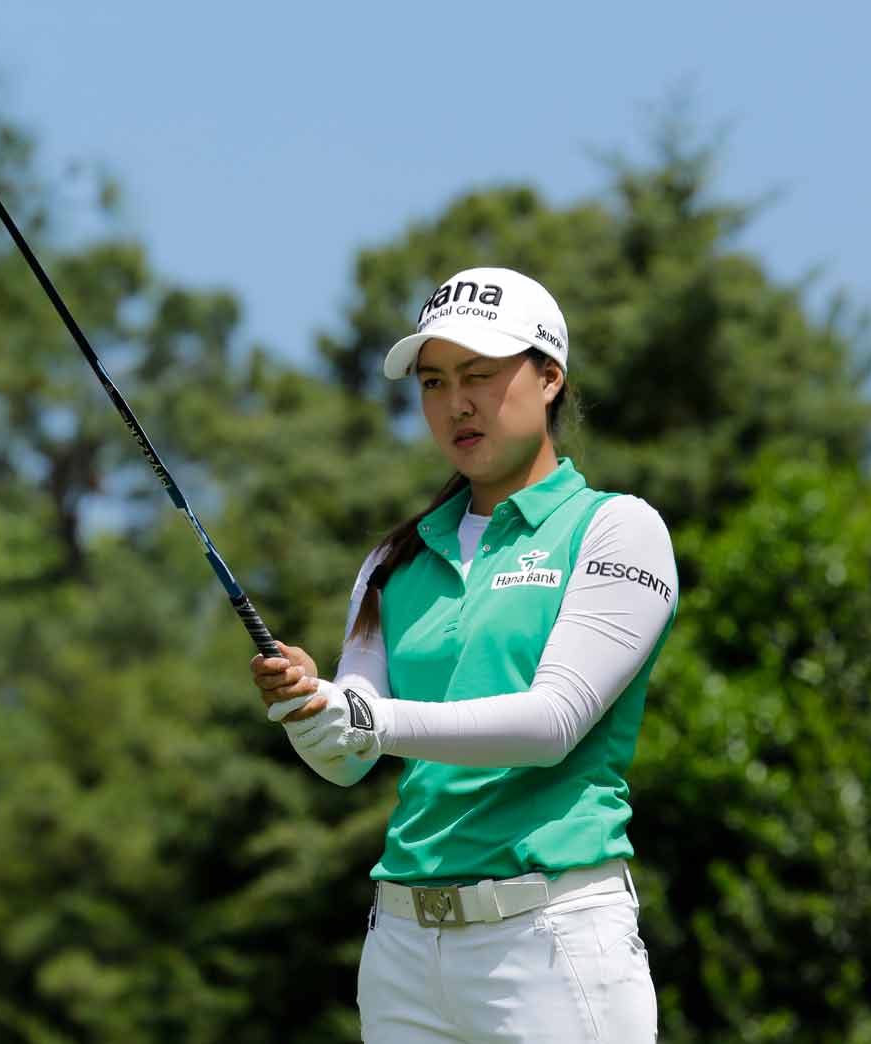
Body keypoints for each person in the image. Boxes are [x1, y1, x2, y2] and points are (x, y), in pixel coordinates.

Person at [248, 266, 679, 1043]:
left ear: (549, 379)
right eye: (434, 382)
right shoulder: (394, 560)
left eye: (480, 375)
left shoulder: (617, 529)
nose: (457, 404)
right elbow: (347, 755)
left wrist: (366, 718)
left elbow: (550, 723)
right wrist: (309, 709)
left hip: (552, 940)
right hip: (404, 952)